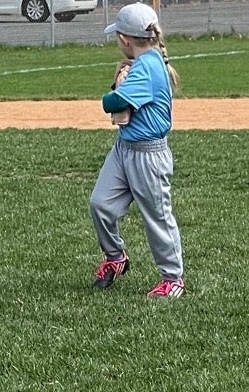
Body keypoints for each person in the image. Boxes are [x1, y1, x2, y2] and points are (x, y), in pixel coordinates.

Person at [90, 1, 184, 300]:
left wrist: (116, 85)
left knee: (157, 217)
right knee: (100, 203)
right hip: (125, 149)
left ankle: (173, 279)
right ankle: (116, 257)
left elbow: (111, 103)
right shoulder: (146, 63)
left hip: (148, 155)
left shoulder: (148, 67)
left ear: (124, 39)